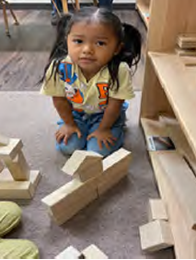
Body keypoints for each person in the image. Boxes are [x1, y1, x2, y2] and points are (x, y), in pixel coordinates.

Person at [40, 6, 141, 157]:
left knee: (98, 151)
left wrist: (103, 129)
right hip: (75, 113)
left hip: (105, 114)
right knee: (68, 147)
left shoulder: (119, 70)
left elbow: (115, 103)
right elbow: (59, 99)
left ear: (116, 48)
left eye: (100, 43)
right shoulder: (58, 67)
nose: (87, 49)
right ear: (67, 40)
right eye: (78, 41)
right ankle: (80, 126)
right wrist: (69, 124)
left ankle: (117, 125)